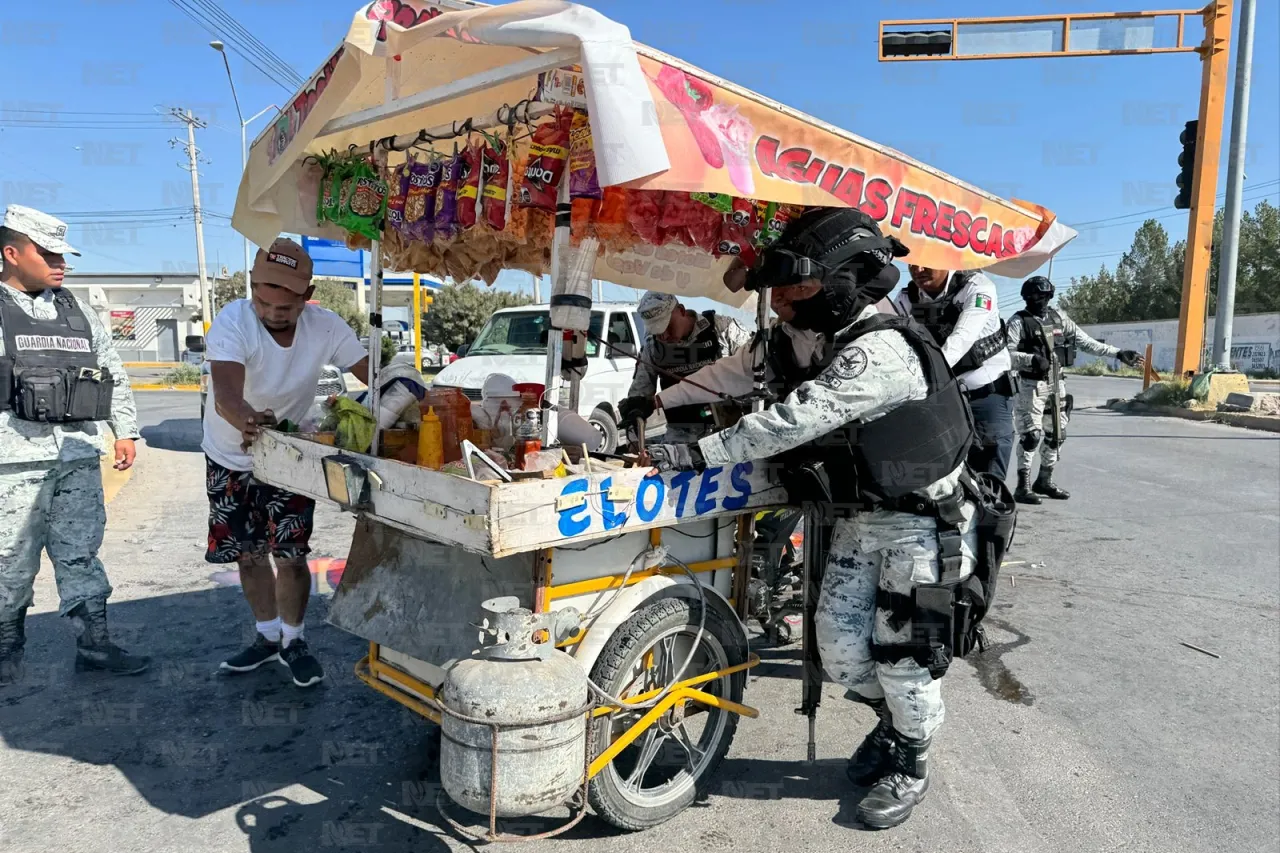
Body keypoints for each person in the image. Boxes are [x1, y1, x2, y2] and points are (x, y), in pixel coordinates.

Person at [647, 208, 980, 829]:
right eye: (781, 291)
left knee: (904, 654)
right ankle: (895, 724)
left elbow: (800, 415)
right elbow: (730, 374)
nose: (783, 303)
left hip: (921, 526)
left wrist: (700, 453)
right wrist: (655, 398)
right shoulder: (802, 339)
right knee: (840, 647)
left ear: (842, 283)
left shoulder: (884, 349)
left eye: (796, 289)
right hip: (860, 519)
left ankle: (911, 757)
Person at [203, 238, 369, 688]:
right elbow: (226, 396)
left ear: (307, 295)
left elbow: (371, 370)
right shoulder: (233, 320)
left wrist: (405, 386)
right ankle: (266, 637)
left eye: (286, 305)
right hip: (229, 455)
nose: (272, 311)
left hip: (288, 457)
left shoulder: (326, 326)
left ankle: (294, 641)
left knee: (292, 555)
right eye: (262, 299)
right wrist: (250, 421)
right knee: (249, 554)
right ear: (251, 288)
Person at [0, 205, 148, 684]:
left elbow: (113, 374)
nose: (61, 263)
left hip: (77, 456)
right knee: (9, 557)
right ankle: (6, 648)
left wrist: (124, 430)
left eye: (64, 254)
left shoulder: (75, 310)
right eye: (48, 253)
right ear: (11, 253)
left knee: (81, 552)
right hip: (12, 463)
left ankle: (94, 645)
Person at [1007, 275, 1143, 504]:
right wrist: (1030, 359)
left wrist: (1118, 353)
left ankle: (1045, 480)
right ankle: (1023, 486)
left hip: (1056, 383)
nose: (1039, 300)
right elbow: (1006, 354)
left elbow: (1086, 342)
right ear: (1026, 297)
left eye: (1044, 295)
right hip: (1030, 385)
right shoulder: (1018, 322)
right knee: (1031, 436)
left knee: (1057, 434)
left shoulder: (1059, 319)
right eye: (1034, 296)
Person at [891, 264, 1018, 482]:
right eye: (912, 263)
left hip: (986, 397)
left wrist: (927, 377)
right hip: (942, 396)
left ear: (945, 258)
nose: (918, 269)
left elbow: (961, 339)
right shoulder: (906, 298)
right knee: (939, 478)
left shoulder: (977, 287)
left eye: (927, 262)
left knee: (988, 479)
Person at [616, 291, 751, 442]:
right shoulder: (653, 348)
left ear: (681, 310)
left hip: (730, 431)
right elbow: (638, 399)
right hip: (681, 436)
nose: (664, 336)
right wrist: (634, 442)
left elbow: (754, 371)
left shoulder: (722, 329)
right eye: (657, 331)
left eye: (667, 326)